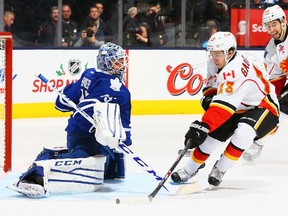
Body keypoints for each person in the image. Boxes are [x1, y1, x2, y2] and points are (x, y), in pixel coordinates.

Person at [10, 42, 132, 198]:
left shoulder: (92, 75)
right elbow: (73, 108)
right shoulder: (115, 88)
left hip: (85, 134)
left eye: (122, 60)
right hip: (82, 134)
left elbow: (61, 103)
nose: (122, 65)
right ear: (105, 62)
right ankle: (41, 166)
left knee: (109, 163)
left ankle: (68, 153)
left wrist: (122, 140)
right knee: (81, 157)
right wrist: (96, 128)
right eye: (117, 61)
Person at [171, 31, 279, 187]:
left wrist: (204, 126)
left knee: (243, 133)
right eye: (212, 54)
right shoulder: (214, 63)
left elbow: (223, 108)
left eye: (217, 54)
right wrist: (208, 97)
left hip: (263, 105)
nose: (214, 58)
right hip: (239, 104)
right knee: (209, 140)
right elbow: (211, 86)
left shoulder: (234, 72)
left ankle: (220, 169)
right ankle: (189, 169)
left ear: (230, 52)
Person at [243, 4, 288, 161]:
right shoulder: (272, 49)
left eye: (274, 25)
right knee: (277, 108)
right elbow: (274, 78)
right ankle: (258, 143)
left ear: (283, 21)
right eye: (268, 26)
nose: (271, 30)